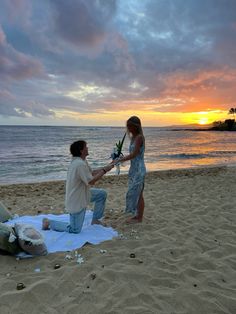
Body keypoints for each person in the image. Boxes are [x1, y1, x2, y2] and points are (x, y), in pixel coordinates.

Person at [42, 140, 113, 233]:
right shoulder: (79, 164)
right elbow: (91, 181)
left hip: (84, 193)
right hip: (76, 199)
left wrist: (109, 166)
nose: (87, 148)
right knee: (74, 230)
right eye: (85, 147)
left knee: (101, 194)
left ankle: (95, 220)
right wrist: (105, 170)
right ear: (81, 151)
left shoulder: (82, 161)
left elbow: (91, 173)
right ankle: (49, 222)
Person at [117, 116, 146, 223]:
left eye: (130, 126)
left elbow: (134, 154)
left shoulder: (139, 137)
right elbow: (131, 154)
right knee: (135, 192)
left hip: (139, 168)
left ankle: (139, 217)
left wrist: (121, 159)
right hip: (133, 168)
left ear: (135, 126)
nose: (128, 128)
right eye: (127, 126)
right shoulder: (133, 137)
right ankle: (137, 215)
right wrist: (121, 157)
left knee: (138, 193)